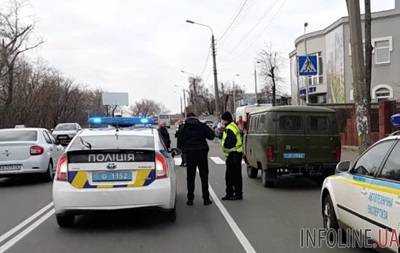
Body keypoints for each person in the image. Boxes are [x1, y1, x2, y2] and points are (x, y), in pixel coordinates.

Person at [178, 113, 215, 206]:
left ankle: (190, 199)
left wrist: (183, 150)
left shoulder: (183, 127)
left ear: (187, 118)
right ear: (196, 117)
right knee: (204, 176)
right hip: (202, 153)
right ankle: (206, 199)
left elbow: (179, 141)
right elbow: (211, 136)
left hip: (190, 154)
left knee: (190, 177)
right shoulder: (202, 126)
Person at [220, 111, 243, 201]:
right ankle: (237, 194)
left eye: (222, 119)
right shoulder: (233, 126)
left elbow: (229, 143)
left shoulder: (229, 128)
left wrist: (225, 146)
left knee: (230, 176)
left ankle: (230, 194)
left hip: (233, 155)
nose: (222, 121)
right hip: (236, 154)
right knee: (236, 176)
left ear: (225, 120)